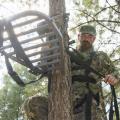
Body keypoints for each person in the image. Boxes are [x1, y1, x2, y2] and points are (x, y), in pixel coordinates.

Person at [22, 25, 119, 120]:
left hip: (90, 105)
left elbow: (116, 75)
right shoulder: (67, 55)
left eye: (90, 36)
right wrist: (47, 45)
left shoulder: (100, 56)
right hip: (65, 101)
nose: (86, 38)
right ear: (78, 37)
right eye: (84, 35)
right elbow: (47, 68)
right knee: (32, 103)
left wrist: (114, 78)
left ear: (94, 39)